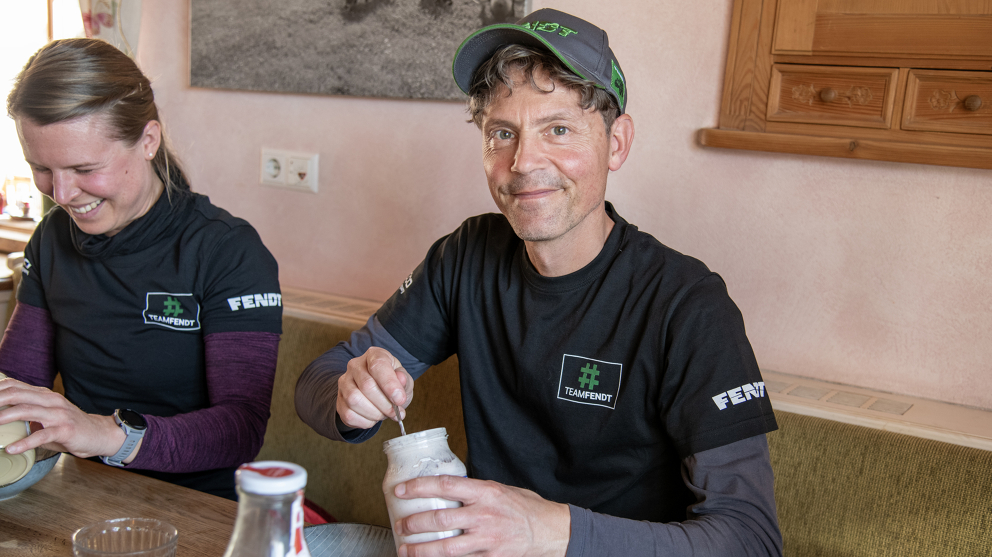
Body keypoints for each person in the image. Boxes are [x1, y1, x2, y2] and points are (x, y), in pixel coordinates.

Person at [296, 8, 781, 556]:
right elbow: (320, 376)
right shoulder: (466, 256)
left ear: (616, 143)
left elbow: (751, 540)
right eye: (502, 133)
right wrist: (349, 396)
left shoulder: (686, 303)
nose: (523, 162)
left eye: (558, 129)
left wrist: (549, 531)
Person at [0, 38, 282, 500]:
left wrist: (104, 434)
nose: (63, 193)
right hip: (81, 495)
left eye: (84, 168)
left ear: (148, 141)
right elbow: (17, 385)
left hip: (198, 508)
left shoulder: (226, 250)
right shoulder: (52, 238)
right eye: (41, 169)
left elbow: (241, 428)